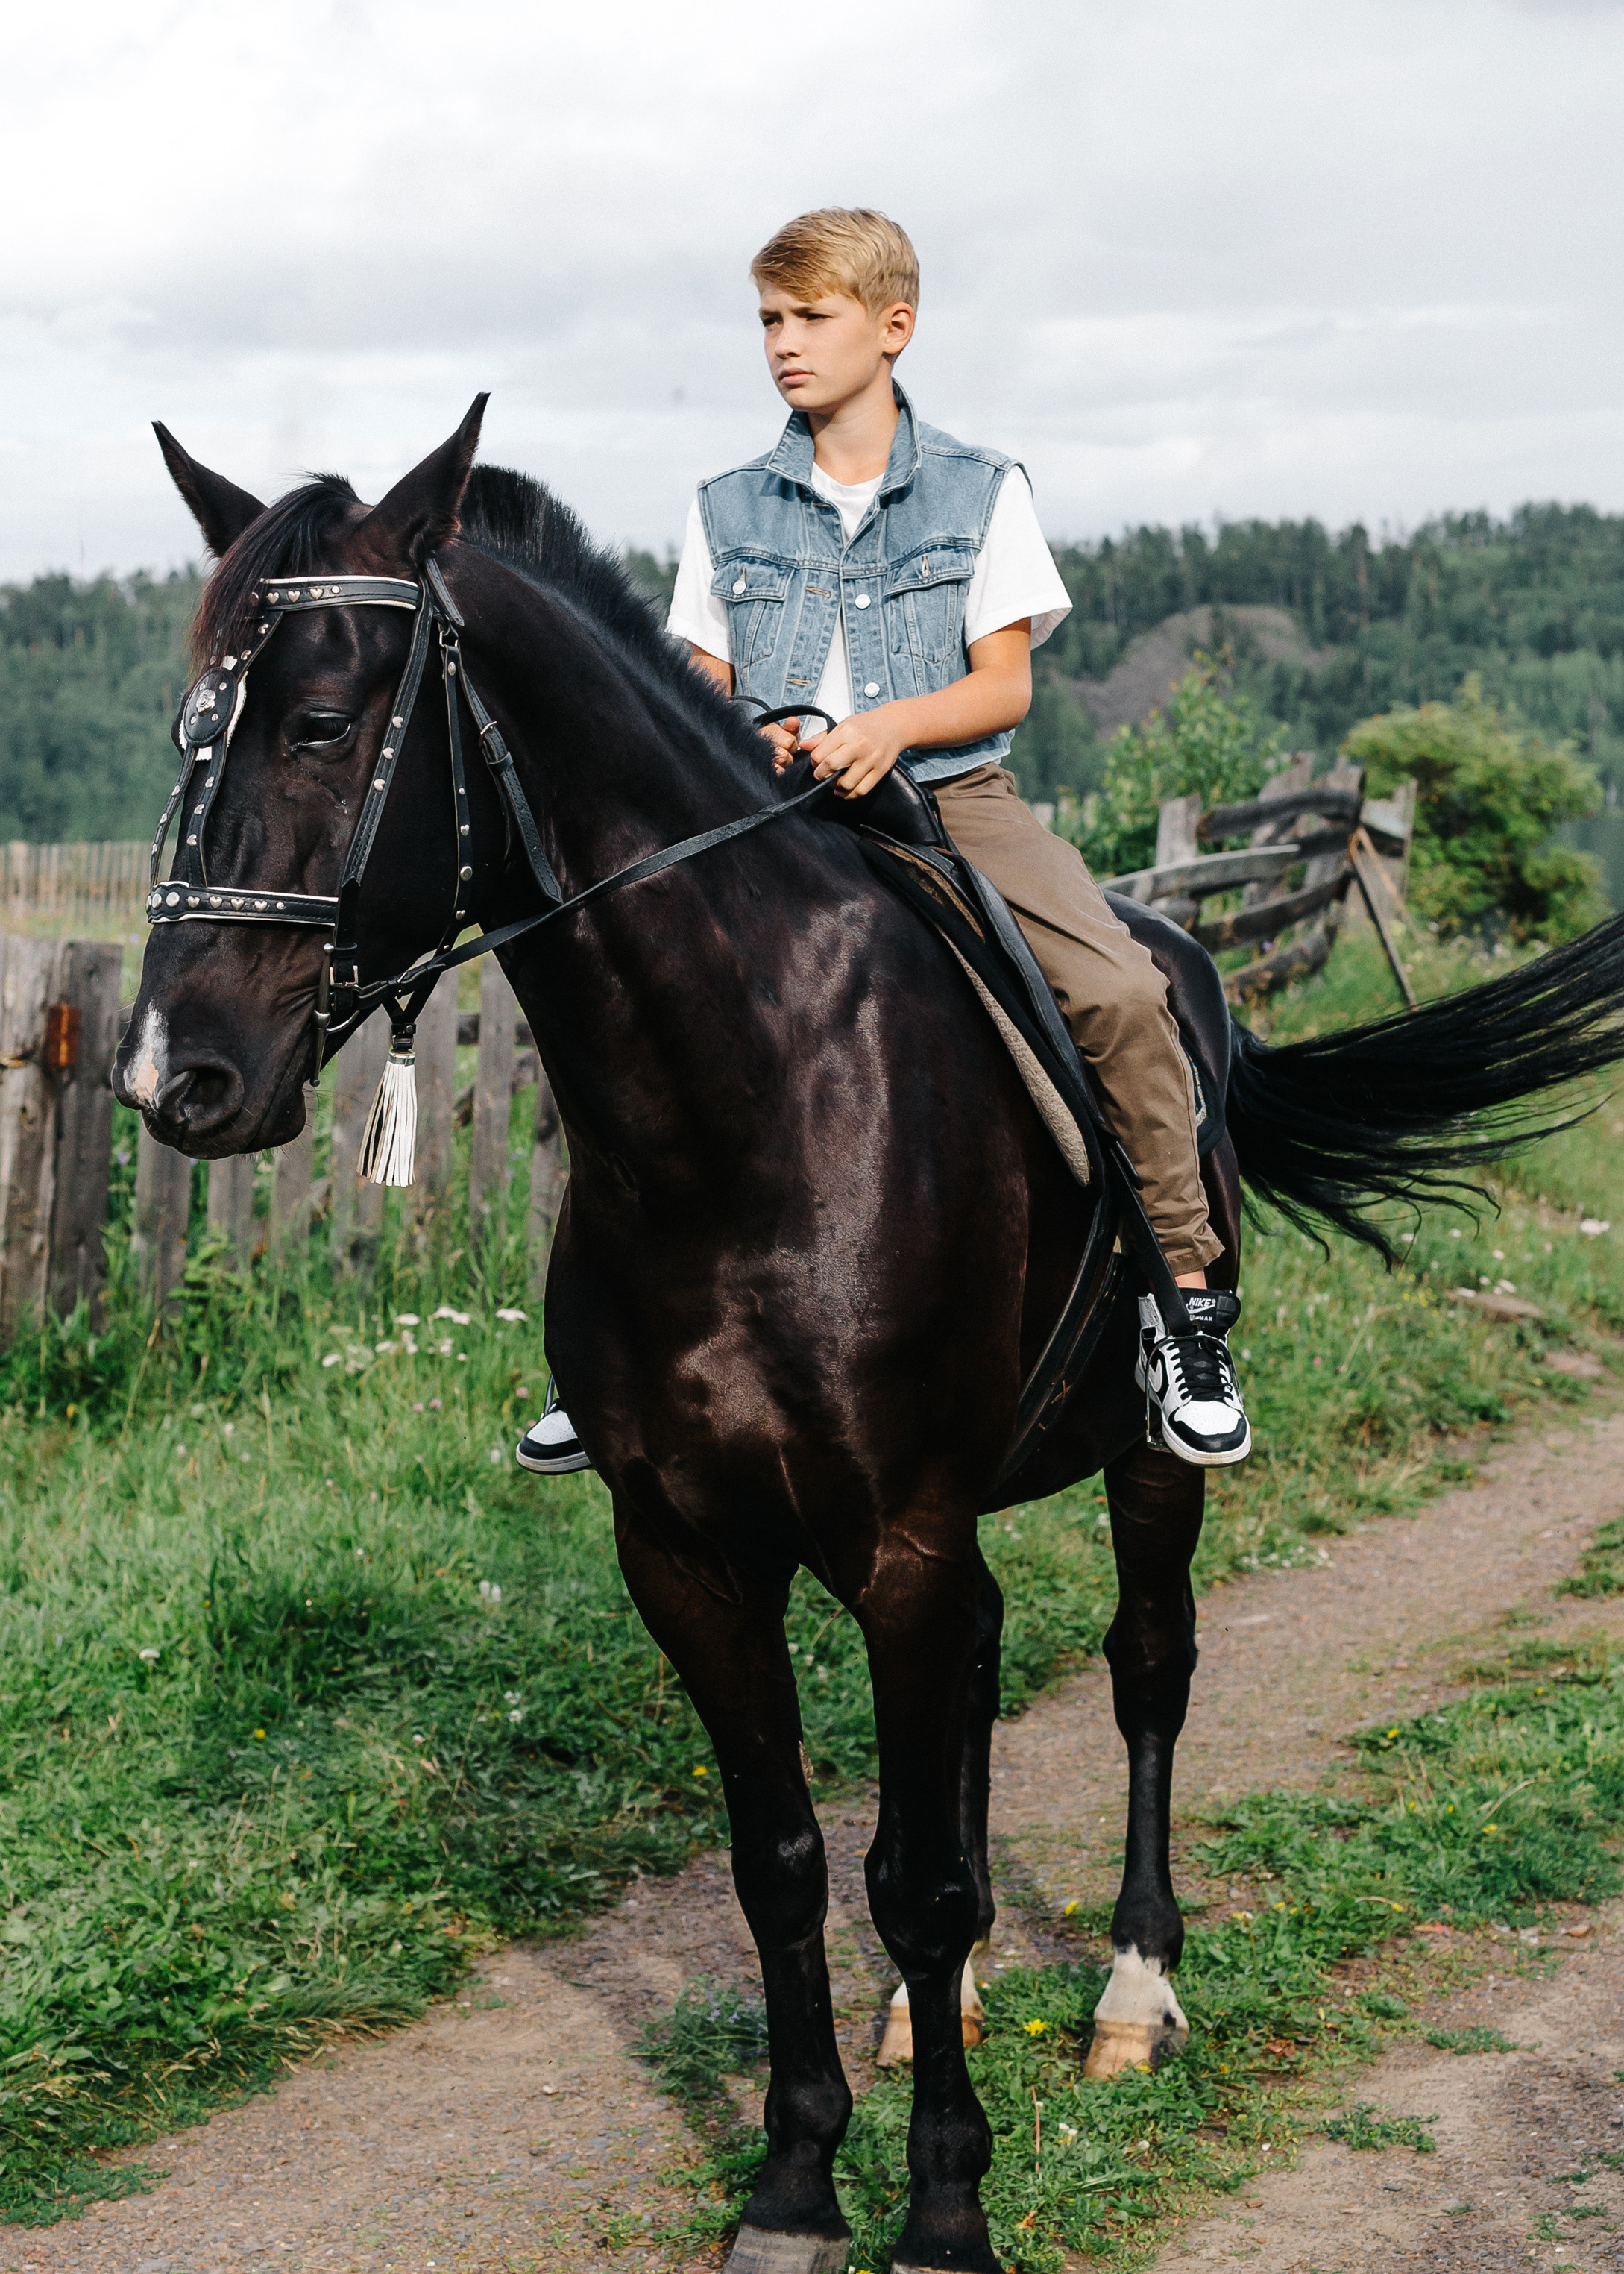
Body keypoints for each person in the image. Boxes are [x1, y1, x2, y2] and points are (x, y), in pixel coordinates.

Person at [517, 207, 1248, 1477]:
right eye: (767, 322)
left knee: (1126, 993)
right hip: (767, 808)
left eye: (810, 318)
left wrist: (890, 728)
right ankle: (612, 1350)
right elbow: (698, 679)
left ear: (892, 328)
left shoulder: (979, 489)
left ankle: (1184, 1301)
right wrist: (757, 739)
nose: (782, 346)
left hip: (953, 797)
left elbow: (1002, 687)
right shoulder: (729, 504)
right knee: (635, 1019)